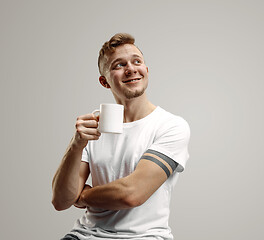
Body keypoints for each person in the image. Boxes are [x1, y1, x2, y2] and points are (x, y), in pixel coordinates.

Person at [52, 33, 190, 240]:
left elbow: (132, 194)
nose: (131, 69)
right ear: (104, 81)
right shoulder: (93, 126)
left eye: (137, 61)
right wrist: (76, 145)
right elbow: (61, 201)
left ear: (146, 70)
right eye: (119, 65)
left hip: (144, 237)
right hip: (84, 235)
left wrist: (82, 196)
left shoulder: (171, 126)